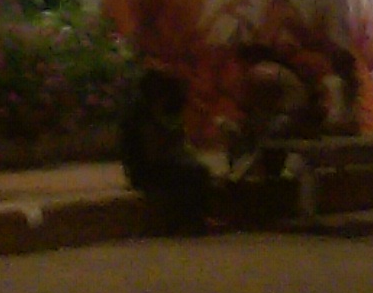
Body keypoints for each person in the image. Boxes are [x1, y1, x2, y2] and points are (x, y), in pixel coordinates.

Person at [119, 68, 212, 234]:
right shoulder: (141, 114)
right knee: (196, 173)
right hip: (144, 171)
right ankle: (189, 221)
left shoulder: (146, 110)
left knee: (192, 171)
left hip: (148, 166)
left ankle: (191, 219)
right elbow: (153, 152)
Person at [226, 44, 314, 179]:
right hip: (291, 117)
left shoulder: (260, 72)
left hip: (286, 119)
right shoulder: (272, 70)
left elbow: (256, 100)